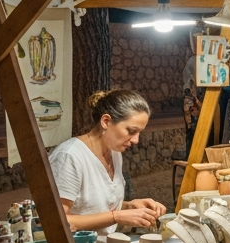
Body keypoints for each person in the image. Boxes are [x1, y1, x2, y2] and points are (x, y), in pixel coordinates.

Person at [51, 90, 167, 233]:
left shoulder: (114, 152)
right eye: (131, 131)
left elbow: (95, 208)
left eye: (139, 133)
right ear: (106, 121)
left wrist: (129, 207)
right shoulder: (69, 157)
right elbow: (56, 221)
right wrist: (117, 216)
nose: (136, 140)